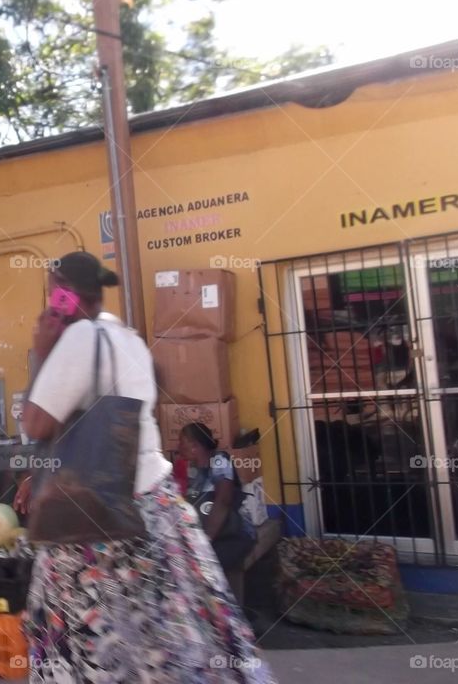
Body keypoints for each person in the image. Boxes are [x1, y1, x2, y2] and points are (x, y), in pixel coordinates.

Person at [14, 251, 273, 684]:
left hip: (96, 524)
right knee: (169, 640)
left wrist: (42, 351)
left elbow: (36, 423)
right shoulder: (128, 338)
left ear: (62, 295)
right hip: (157, 510)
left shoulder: (80, 340)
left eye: (51, 291)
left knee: (94, 646)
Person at [180, 422, 256, 604]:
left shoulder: (219, 460)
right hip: (217, 537)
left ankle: (232, 622)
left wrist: (204, 541)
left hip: (233, 536)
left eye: (181, 441)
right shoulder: (195, 472)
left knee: (204, 570)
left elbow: (223, 500)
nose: (178, 447)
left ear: (194, 445)